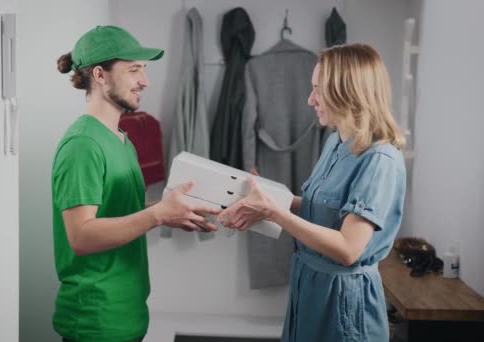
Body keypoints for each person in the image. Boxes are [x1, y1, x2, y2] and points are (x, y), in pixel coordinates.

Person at [218, 43, 406, 342]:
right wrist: (269, 198)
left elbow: (348, 248)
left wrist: (275, 213)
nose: (310, 100)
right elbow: (324, 210)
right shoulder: (335, 142)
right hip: (310, 287)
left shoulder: (379, 160)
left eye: (318, 89)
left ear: (346, 91)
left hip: (344, 301)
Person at [51, 25, 220, 342]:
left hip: (127, 314)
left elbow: (120, 210)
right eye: (133, 70)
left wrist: (172, 210)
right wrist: (158, 216)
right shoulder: (83, 144)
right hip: (96, 323)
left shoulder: (121, 140)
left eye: (143, 69)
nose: (145, 80)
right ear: (100, 75)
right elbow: (81, 236)